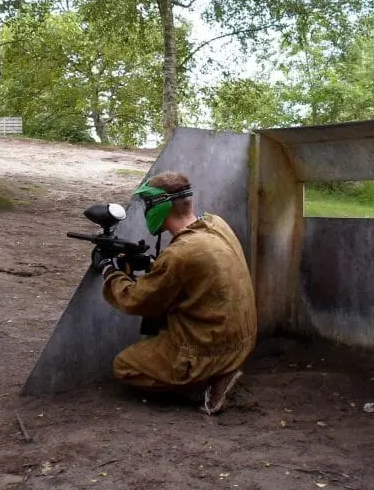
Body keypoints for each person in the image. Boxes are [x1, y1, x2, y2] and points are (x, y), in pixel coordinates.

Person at [95, 171, 257, 415]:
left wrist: (109, 271)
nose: (147, 211)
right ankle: (216, 370)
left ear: (160, 206)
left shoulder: (181, 253)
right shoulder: (216, 225)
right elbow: (193, 272)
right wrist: (153, 265)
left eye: (148, 205)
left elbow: (136, 300)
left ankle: (208, 381)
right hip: (242, 340)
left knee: (125, 365)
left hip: (212, 349)